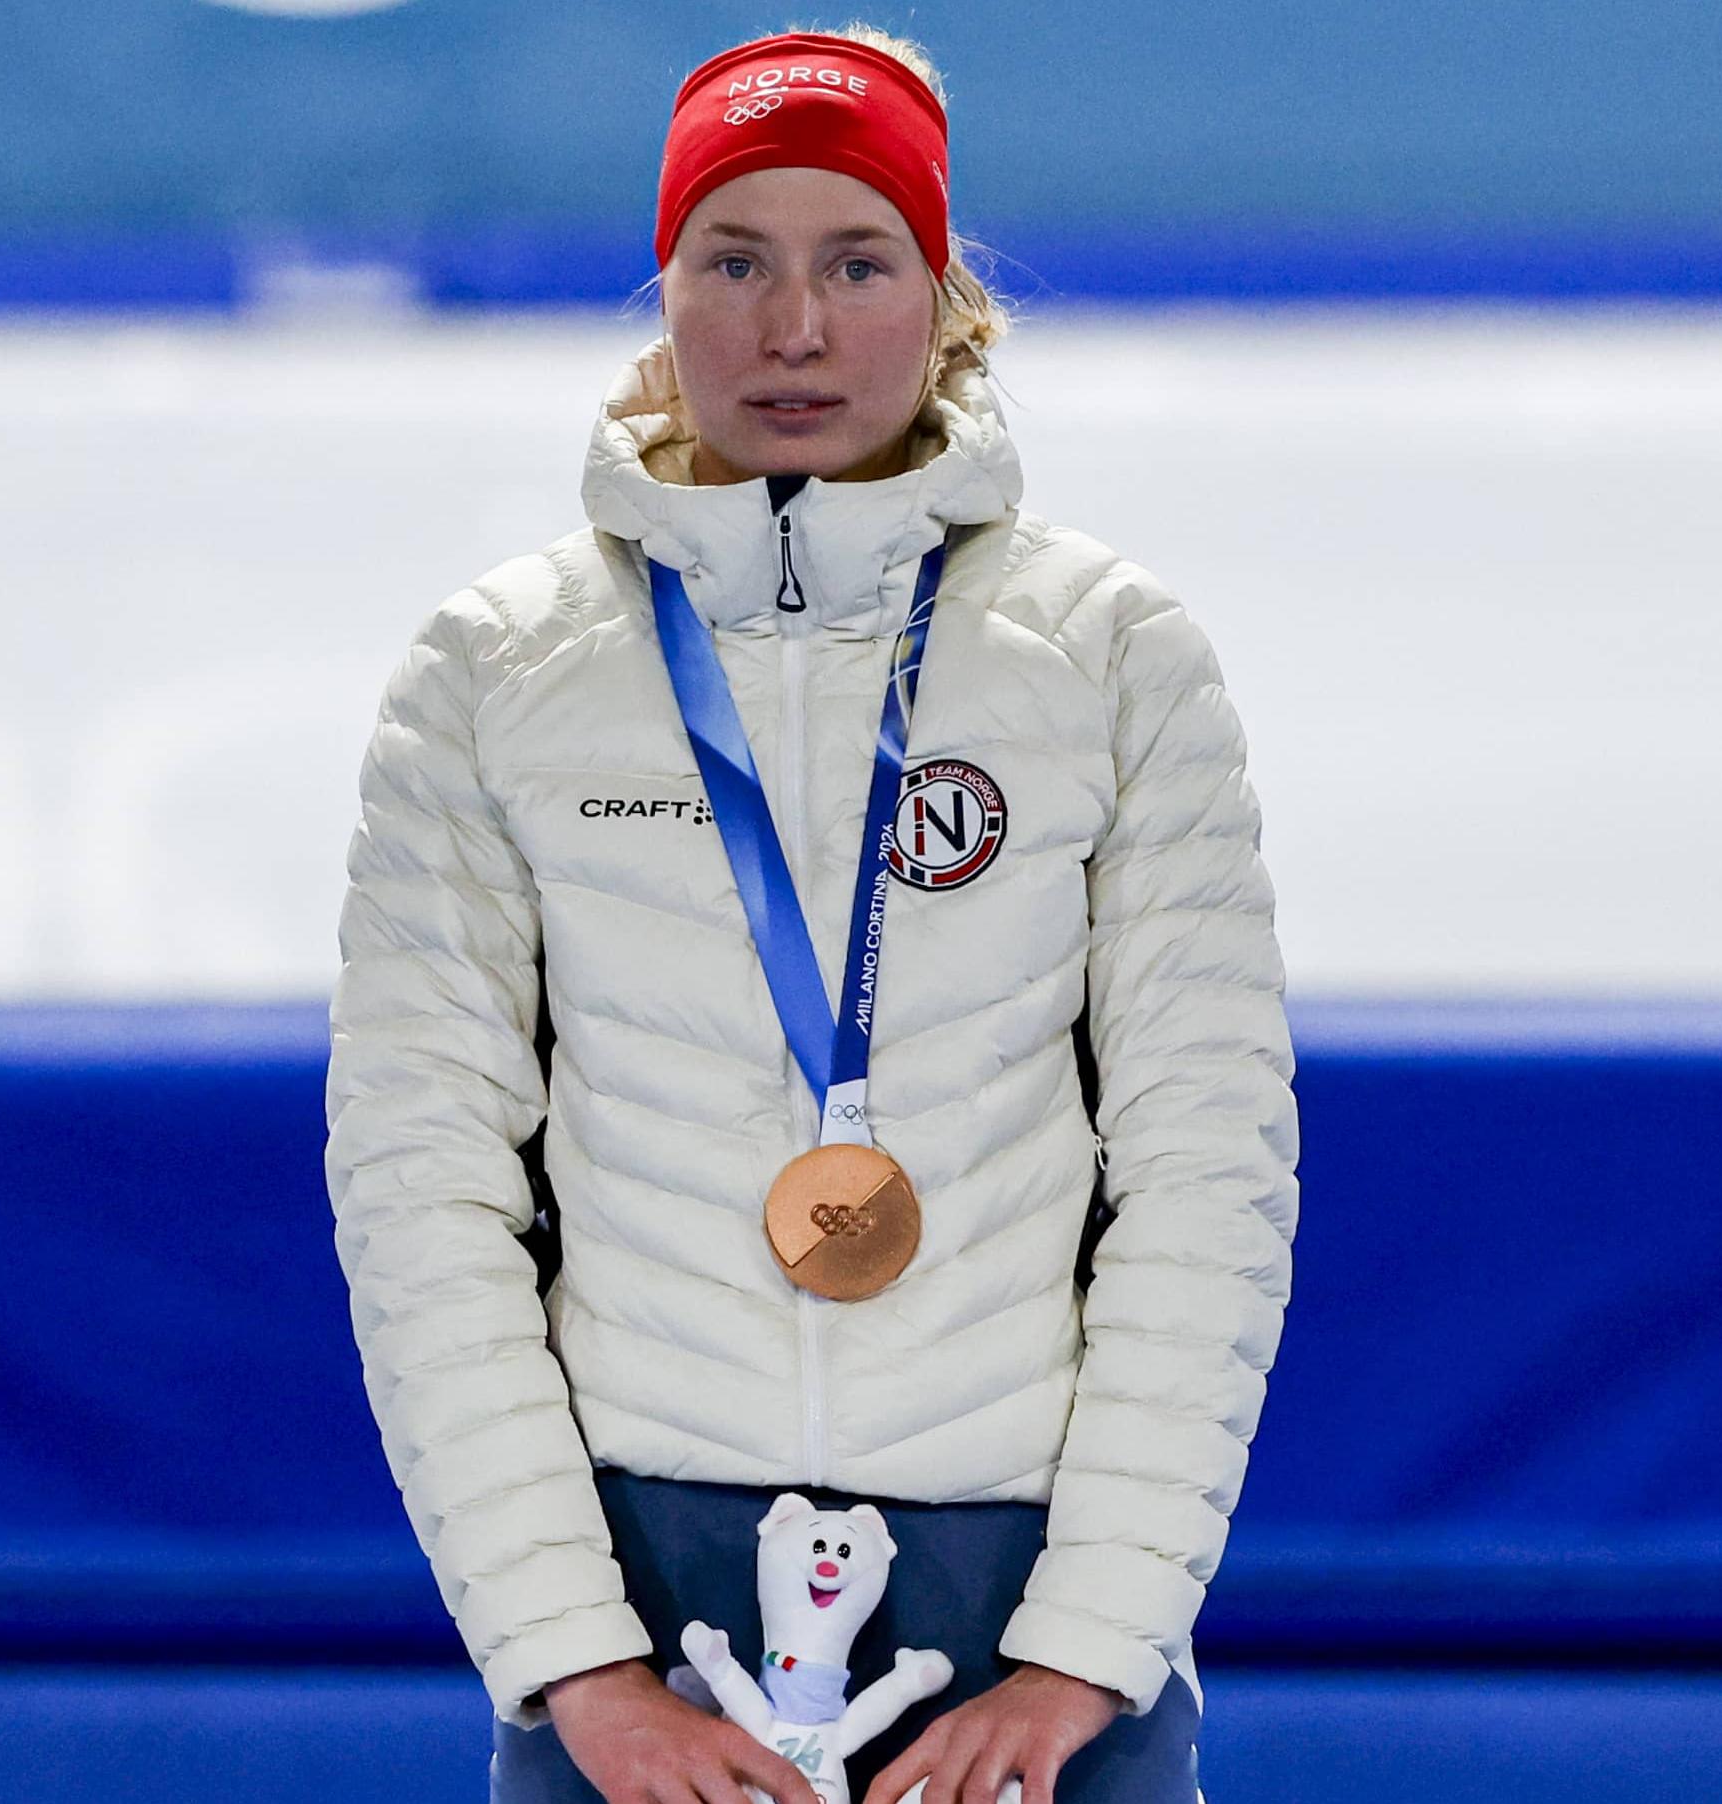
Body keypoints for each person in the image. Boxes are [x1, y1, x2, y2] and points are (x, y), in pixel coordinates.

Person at [326, 26, 1297, 1804]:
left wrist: (1090, 1647)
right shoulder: (498, 671)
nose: (793, 329)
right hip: (642, 1603)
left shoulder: (1109, 656)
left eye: (857, 265)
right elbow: (424, 1193)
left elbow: (1207, 1172)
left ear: (941, 299)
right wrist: (575, 1668)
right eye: (736, 262)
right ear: (665, 287)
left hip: (1026, 1594)